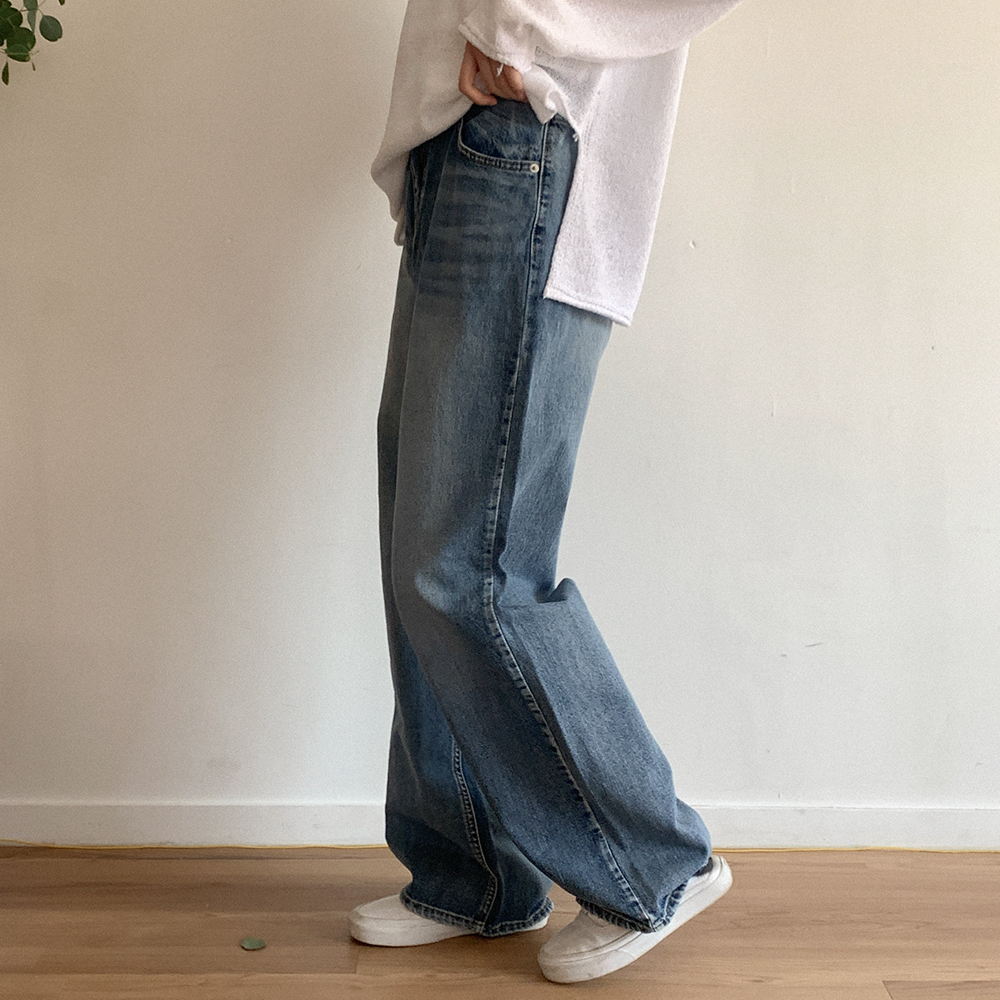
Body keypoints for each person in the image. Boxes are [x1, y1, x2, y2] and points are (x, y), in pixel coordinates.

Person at [350, 0, 744, 984]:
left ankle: (650, 859)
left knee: (468, 563)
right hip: (458, 138)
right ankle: (471, 872)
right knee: (420, 539)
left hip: (524, 135)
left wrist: (519, 26)